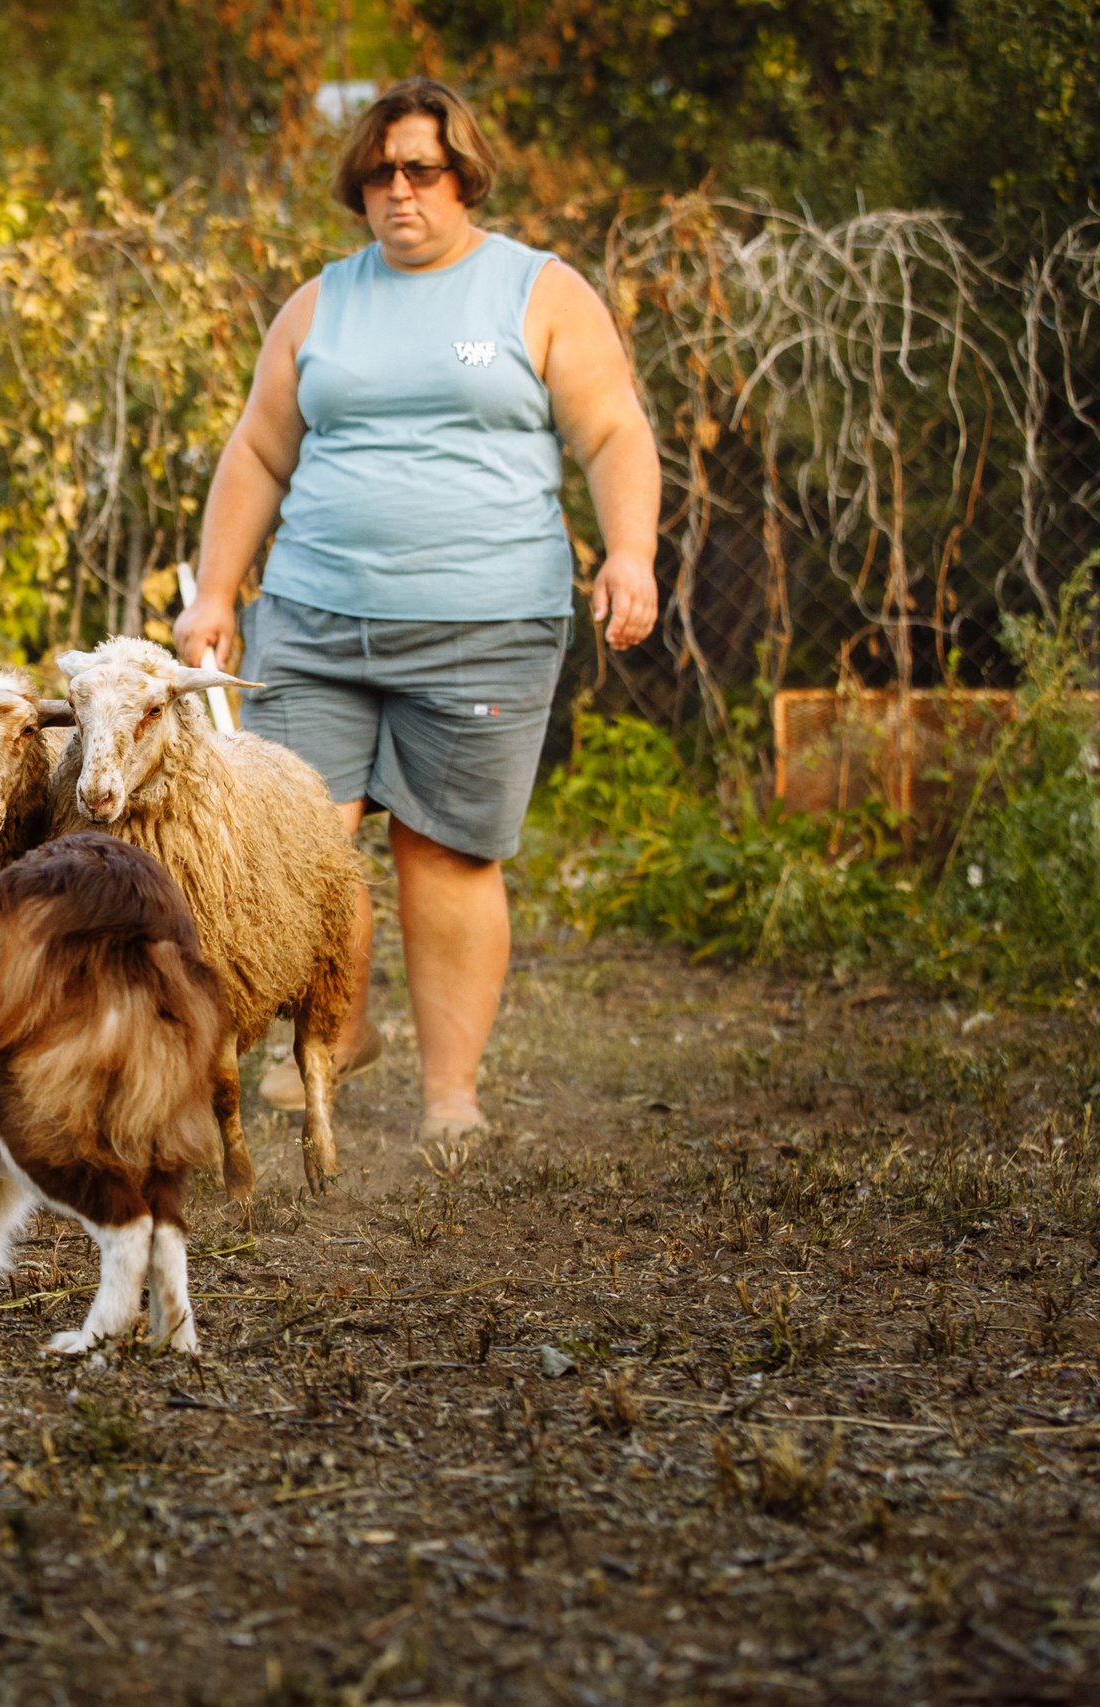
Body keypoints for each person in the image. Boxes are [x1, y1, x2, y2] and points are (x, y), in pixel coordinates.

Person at [172, 78, 659, 1146]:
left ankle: (451, 1099)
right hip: (313, 615)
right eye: (379, 172)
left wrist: (631, 552)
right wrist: (215, 592)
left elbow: (615, 432)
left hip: (485, 625)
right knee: (299, 846)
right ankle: (332, 1034)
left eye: (421, 170)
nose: (399, 191)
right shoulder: (319, 303)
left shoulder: (536, 291)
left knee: (444, 855)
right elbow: (257, 448)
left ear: (463, 175)